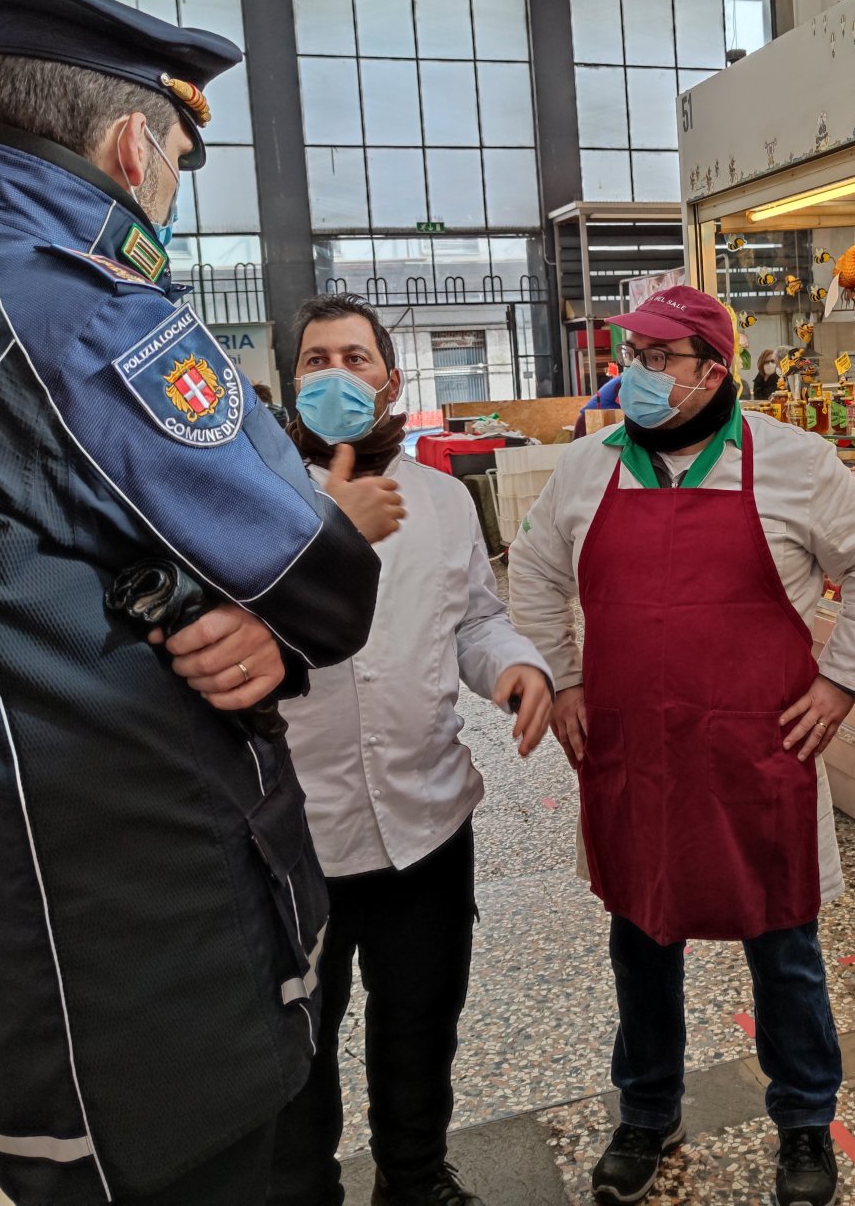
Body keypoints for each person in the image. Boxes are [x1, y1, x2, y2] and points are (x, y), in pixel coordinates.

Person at [0, 0, 400, 1205]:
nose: (172, 184)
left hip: (9, 950)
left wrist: (217, 615)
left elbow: (33, 559)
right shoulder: (81, 317)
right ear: (134, 144)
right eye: (180, 154)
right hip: (145, 959)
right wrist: (318, 534)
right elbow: (326, 586)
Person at [506, 285, 855, 1206]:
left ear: (713, 371)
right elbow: (530, 574)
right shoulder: (586, 468)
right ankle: (648, 1111)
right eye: (631, 359)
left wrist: (841, 680)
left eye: (658, 361)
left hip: (757, 757)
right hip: (633, 758)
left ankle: (806, 1120)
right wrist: (563, 677)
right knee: (640, 939)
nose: (636, 377)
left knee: (784, 950)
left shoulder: (795, 463)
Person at [270, 294, 553, 1206]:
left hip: (426, 815)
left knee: (421, 1018)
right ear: (290, 382)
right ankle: (304, 1189)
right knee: (297, 1040)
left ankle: (416, 1176)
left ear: (391, 379)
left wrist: (513, 668)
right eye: (317, 361)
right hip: (291, 832)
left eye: (357, 358)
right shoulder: (249, 498)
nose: (337, 376)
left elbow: (474, 617)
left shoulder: (441, 500)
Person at [572, 369, 624, 440]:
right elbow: (625, 405)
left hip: (592, 419)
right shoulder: (621, 383)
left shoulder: (620, 380)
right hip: (589, 420)